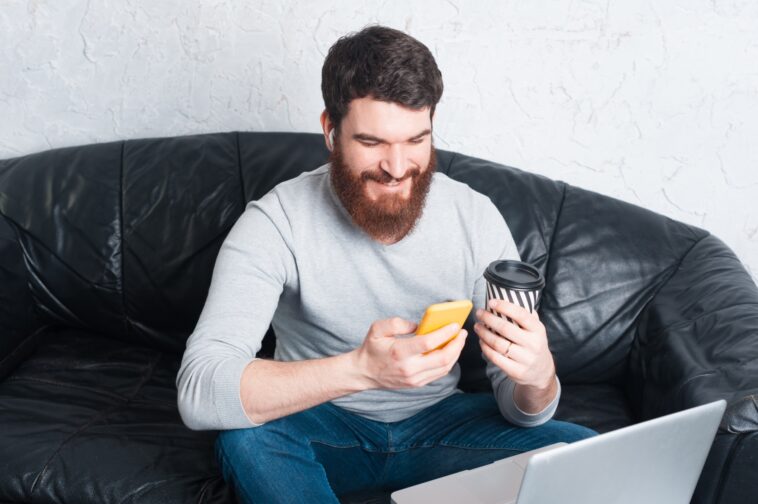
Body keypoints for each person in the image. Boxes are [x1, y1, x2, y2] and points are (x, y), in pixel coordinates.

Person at [176, 24, 596, 503]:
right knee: (246, 441)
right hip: (322, 423)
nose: (398, 169)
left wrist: (539, 376)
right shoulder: (276, 222)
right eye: (373, 143)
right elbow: (200, 389)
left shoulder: (474, 217)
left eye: (416, 140)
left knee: (583, 451)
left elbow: (521, 410)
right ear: (331, 132)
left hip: (440, 426)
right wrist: (360, 371)